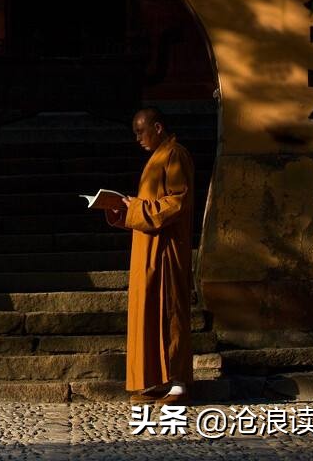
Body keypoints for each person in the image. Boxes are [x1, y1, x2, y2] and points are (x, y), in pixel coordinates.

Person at [104, 106, 195, 405]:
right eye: (134, 133)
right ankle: (156, 380)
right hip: (147, 248)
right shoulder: (156, 158)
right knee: (150, 314)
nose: (138, 138)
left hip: (166, 249)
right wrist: (124, 209)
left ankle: (179, 382)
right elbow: (150, 204)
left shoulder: (175, 154)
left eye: (141, 131)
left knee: (170, 311)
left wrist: (136, 208)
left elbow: (176, 203)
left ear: (157, 128)